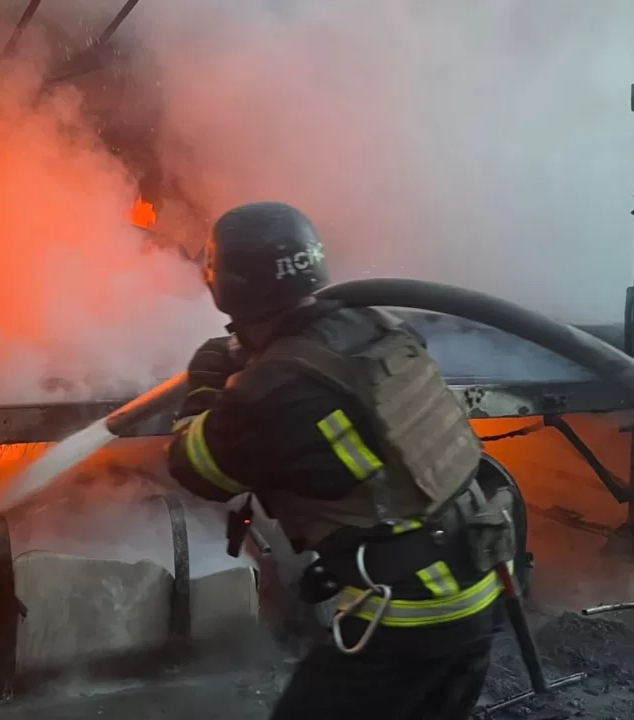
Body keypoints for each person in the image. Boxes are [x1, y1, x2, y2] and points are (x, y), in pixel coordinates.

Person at [165, 202, 513, 719]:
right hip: (477, 583)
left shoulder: (269, 391)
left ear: (225, 288)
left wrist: (206, 386)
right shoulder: (374, 323)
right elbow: (374, 460)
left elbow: (195, 467)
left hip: (410, 617)